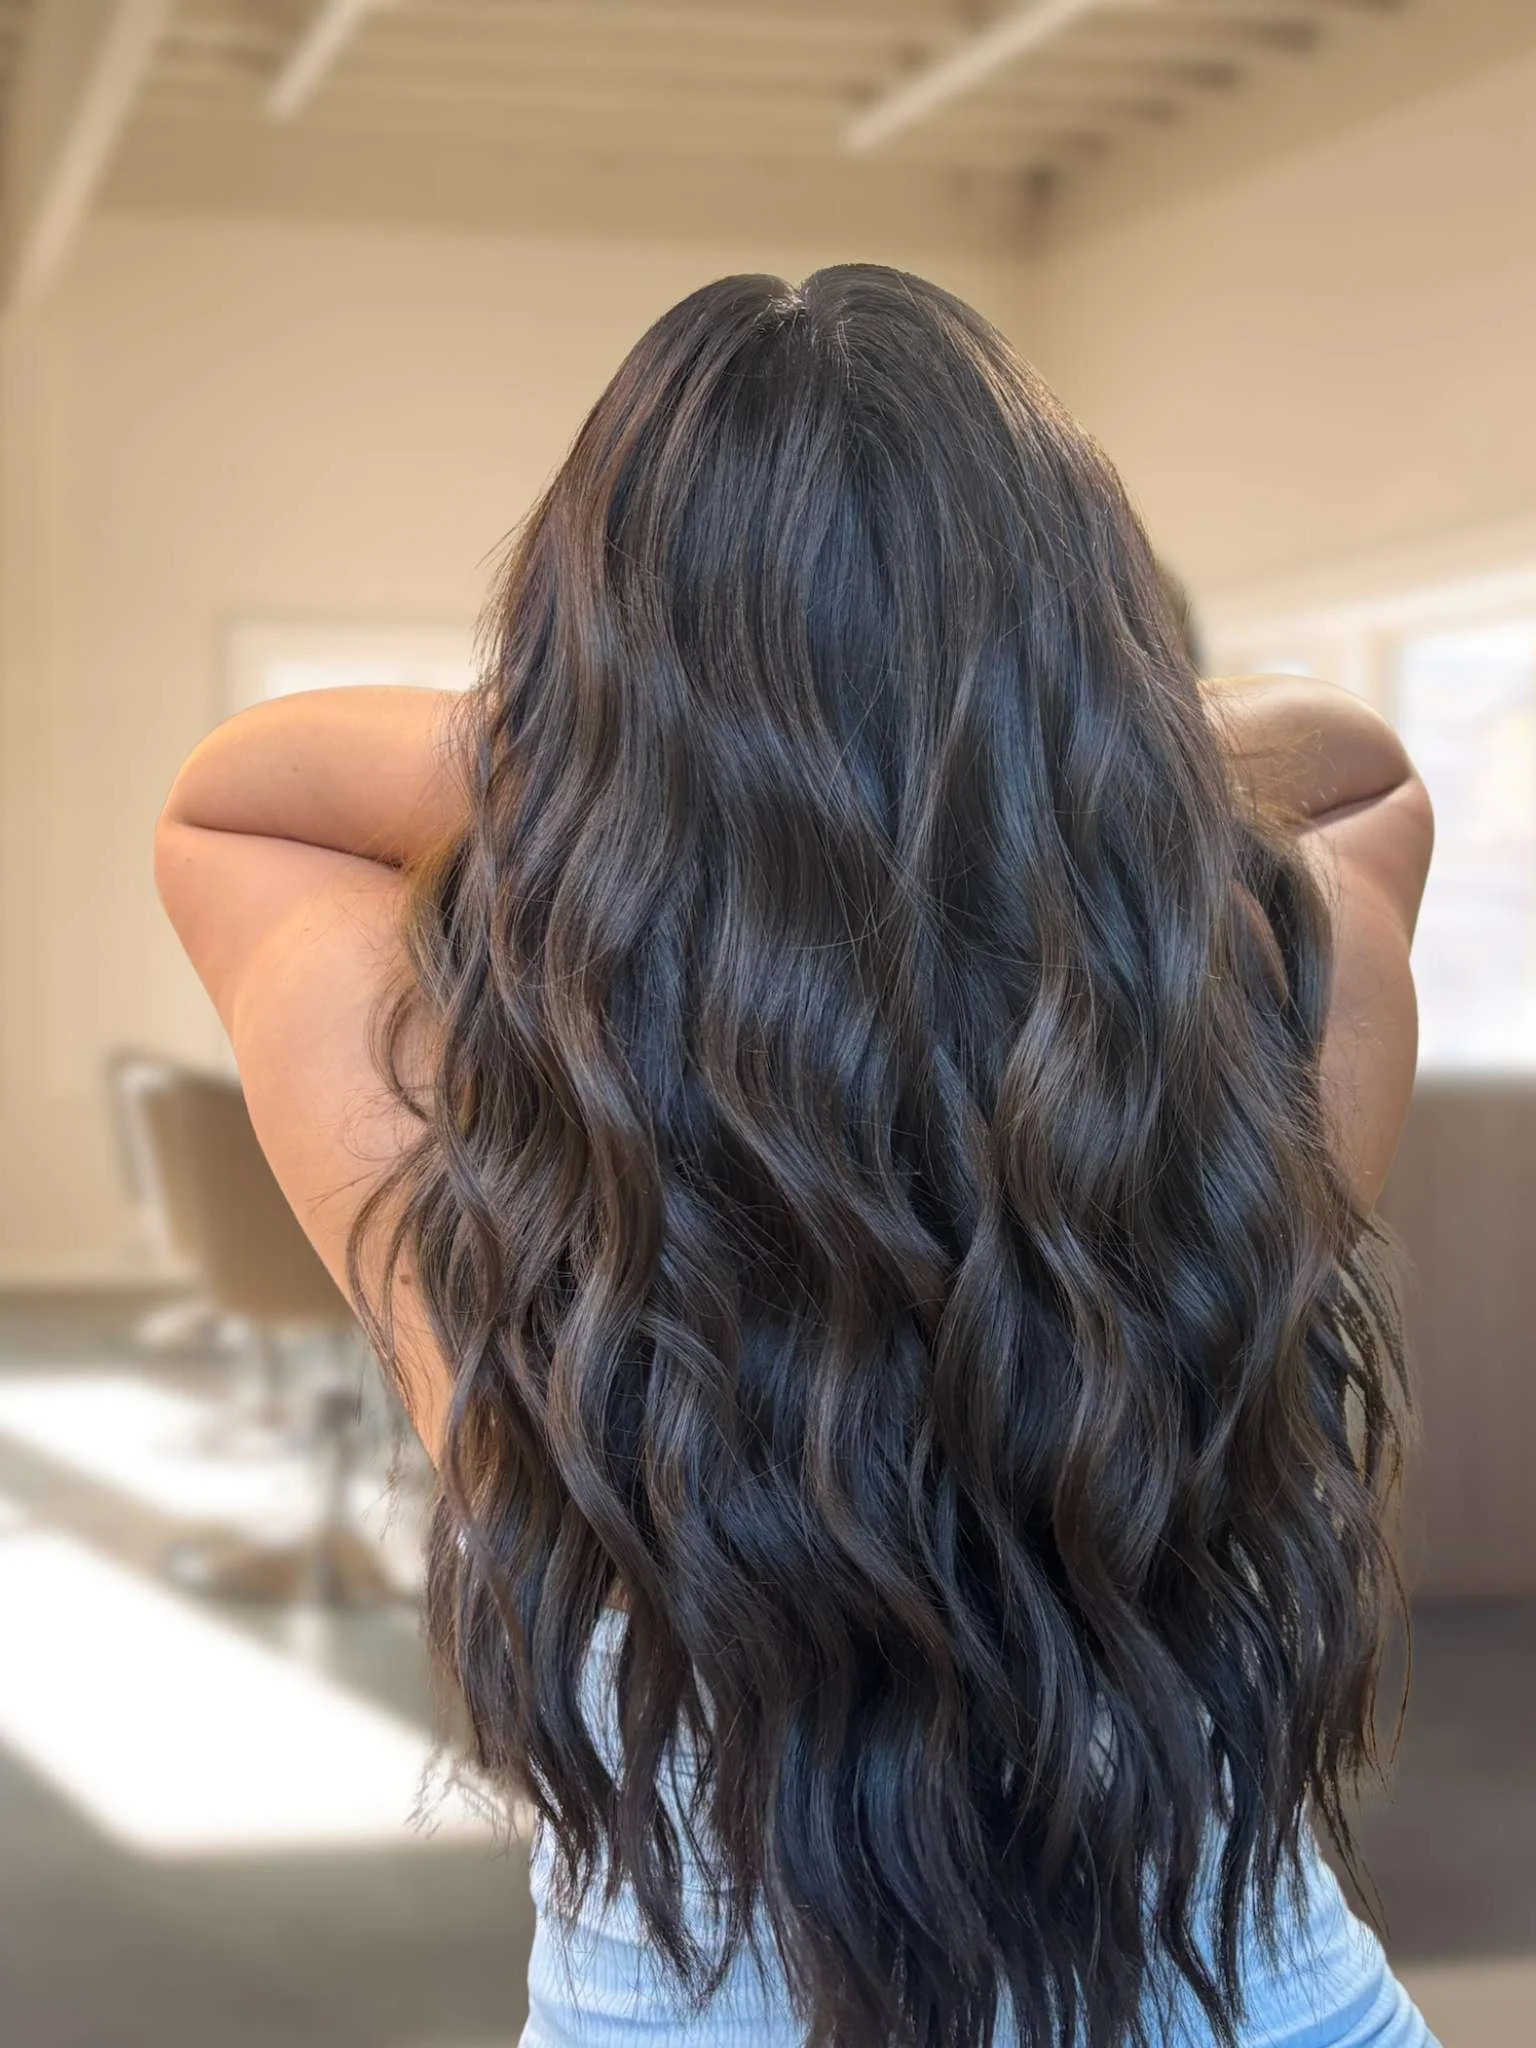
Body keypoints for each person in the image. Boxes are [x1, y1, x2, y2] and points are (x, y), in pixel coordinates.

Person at [155, 267, 1437, 2047]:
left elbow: (235, 798)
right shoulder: (1250, 1057)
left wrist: (665, 764)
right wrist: (1022, 758)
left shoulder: (494, 1163)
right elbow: (1366, 777)